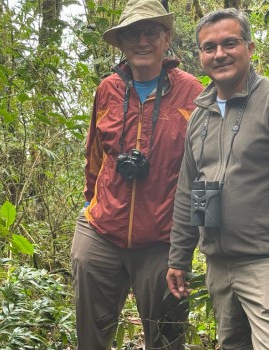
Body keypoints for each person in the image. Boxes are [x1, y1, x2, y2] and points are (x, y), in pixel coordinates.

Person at [166, 8, 269, 350]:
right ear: (200, 56)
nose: (219, 53)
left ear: (250, 48)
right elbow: (187, 192)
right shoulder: (200, 116)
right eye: (209, 47)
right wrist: (179, 258)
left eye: (230, 43)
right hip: (219, 266)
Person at [70, 0, 203, 349]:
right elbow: (94, 156)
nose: (141, 41)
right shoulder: (107, 89)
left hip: (162, 237)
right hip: (102, 228)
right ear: (121, 43)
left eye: (150, 32)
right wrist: (90, 203)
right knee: (91, 336)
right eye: (132, 34)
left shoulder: (192, 92)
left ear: (166, 38)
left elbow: (204, 165)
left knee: (165, 336)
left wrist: (192, 232)